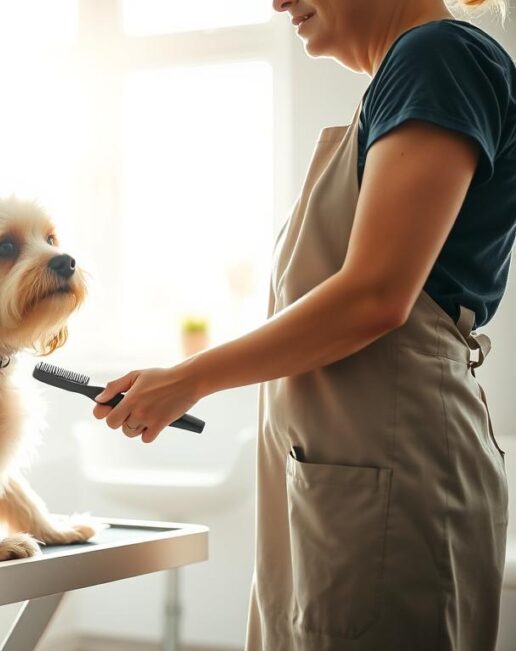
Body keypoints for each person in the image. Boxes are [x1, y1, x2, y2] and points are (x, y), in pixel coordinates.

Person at [91, 0, 513, 648]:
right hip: (353, 480)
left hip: (396, 477)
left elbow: (375, 294)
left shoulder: (438, 58)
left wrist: (189, 378)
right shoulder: (408, 77)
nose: (278, 0)